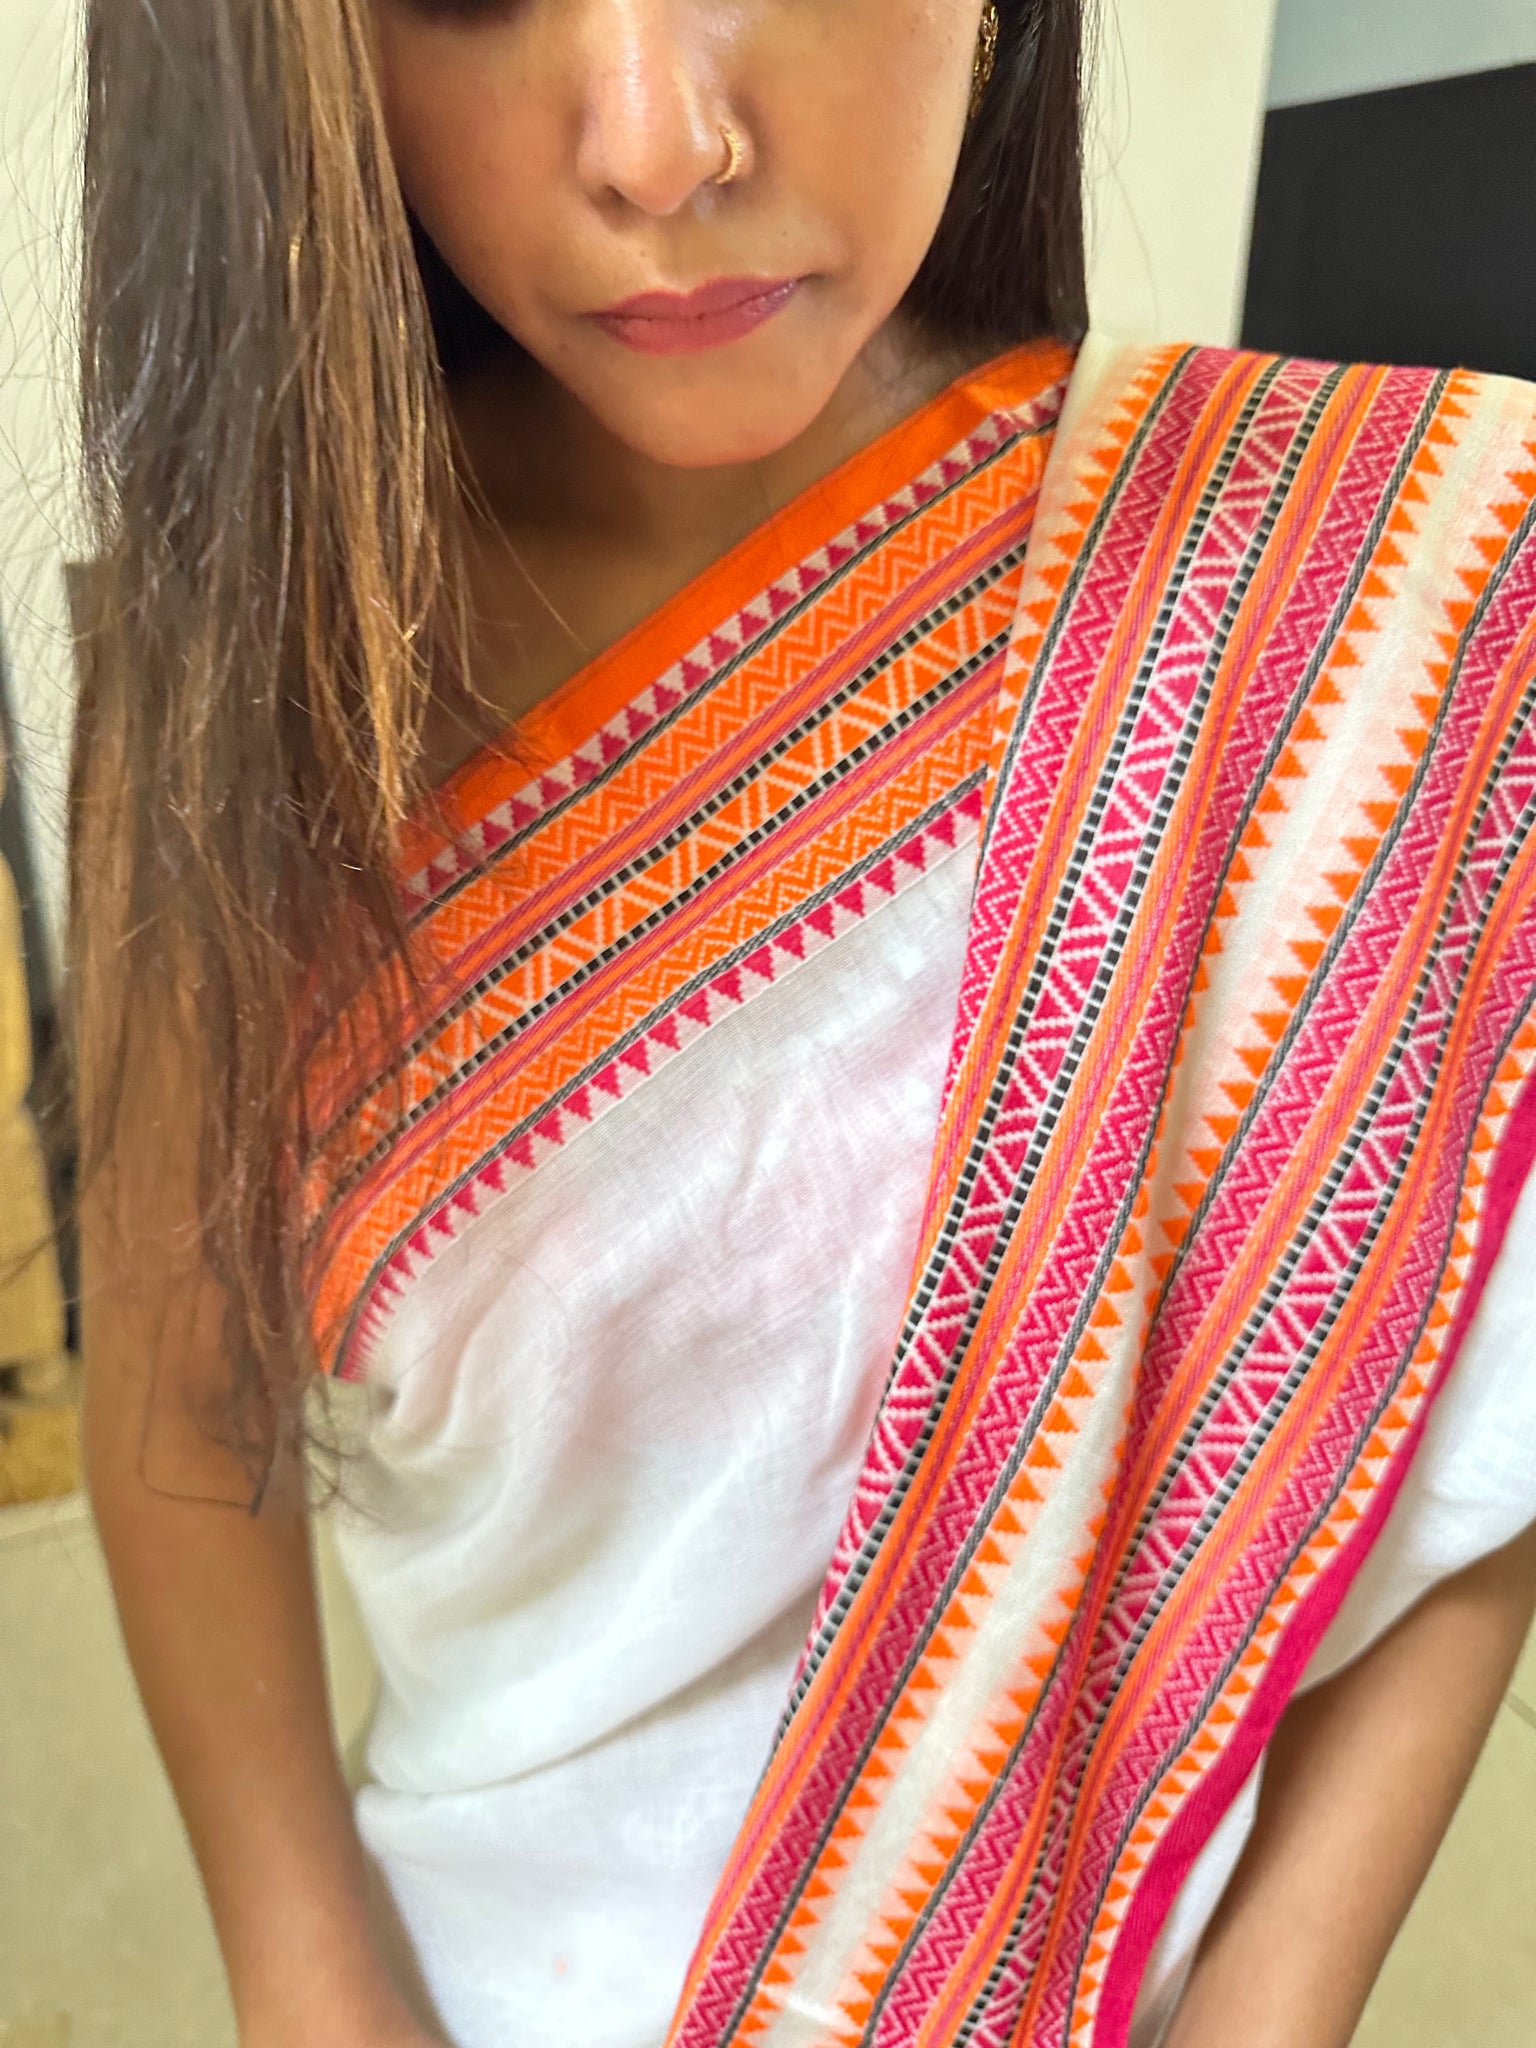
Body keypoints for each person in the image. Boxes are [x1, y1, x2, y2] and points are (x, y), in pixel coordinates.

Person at [69, 3, 1536, 2047]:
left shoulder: (1372, 590)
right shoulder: (238, 678)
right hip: (476, 1979)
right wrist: (305, 1979)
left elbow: (1461, 1410)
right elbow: (177, 1390)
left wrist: (1266, 2014)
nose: (658, 143)